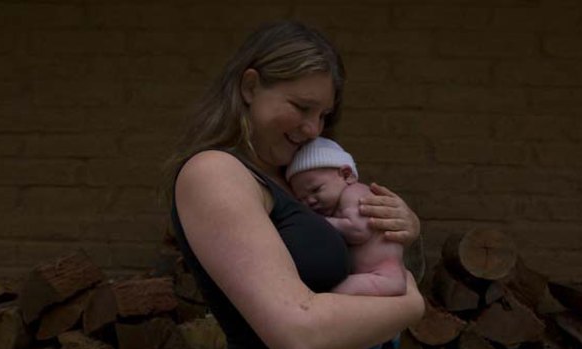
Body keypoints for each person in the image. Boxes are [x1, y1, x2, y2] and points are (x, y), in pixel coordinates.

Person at [166, 20, 424, 349]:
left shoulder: (294, 178)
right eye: (302, 107)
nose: (315, 129)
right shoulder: (214, 173)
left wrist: (401, 227)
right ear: (249, 87)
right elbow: (297, 331)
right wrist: (411, 303)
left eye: (323, 115)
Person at [287, 137, 407, 349]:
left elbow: (358, 230)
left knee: (330, 297)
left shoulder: (355, 193)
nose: (310, 202)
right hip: (376, 277)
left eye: (315, 190)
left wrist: (321, 222)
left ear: (346, 174)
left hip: (383, 277)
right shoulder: (340, 197)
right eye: (302, 199)